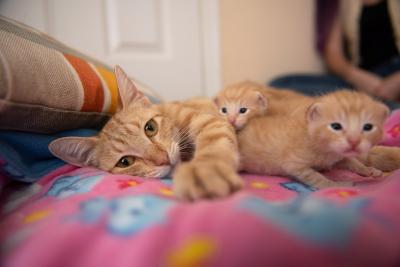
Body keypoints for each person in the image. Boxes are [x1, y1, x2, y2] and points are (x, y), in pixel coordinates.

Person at [269, 0, 400, 108]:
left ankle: (381, 108)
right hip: (362, 77)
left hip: (395, 72)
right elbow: (333, 53)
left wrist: (396, 82)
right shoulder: (339, 3)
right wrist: (357, 77)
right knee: (283, 84)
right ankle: (380, 107)